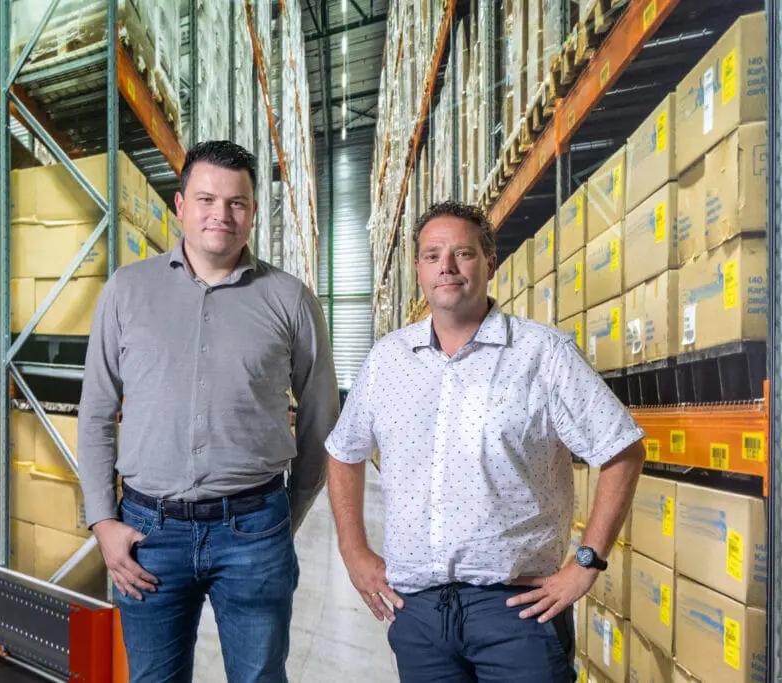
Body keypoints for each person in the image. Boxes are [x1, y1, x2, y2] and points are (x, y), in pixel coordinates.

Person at [325, 201, 646, 682]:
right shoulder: (388, 360)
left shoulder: (542, 354)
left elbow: (622, 449)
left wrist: (587, 562)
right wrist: (353, 550)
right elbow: (342, 453)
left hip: (517, 609)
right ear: (418, 269)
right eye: (432, 256)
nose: (446, 267)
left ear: (490, 263)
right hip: (418, 611)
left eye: (463, 254)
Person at [77, 140, 340, 683]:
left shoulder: (290, 299)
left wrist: (284, 516)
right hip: (148, 535)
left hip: (254, 529)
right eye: (206, 199)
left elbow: (322, 419)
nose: (221, 214)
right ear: (180, 205)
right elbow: (97, 410)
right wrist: (103, 520)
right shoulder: (127, 291)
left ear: (252, 211)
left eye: (236, 202)